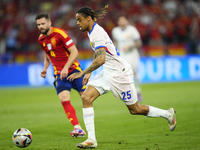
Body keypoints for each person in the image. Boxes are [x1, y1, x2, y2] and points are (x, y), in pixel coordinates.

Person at [67, 5, 177, 149]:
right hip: (108, 73)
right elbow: (99, 53)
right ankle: (91, 139)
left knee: (135, 109)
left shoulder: (97, 33)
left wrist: (82, 72)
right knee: (86, 97)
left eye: (79, 20)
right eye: (76, 20)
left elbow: (101, 59)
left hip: (120, 74)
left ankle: (167, 114)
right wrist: (89, 73)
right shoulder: (91, 31)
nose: (77, 23)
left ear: (89, 18)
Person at [35, 13, 86, 137]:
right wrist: (45, 69)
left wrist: (66, 67)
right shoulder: (41, 39)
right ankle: (78, 128)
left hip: (74, 70)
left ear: (49, 23)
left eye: (43, 23)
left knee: (86, 98)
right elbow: (48, 54)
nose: (41, 26)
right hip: (60, 74)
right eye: (38, 25)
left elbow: (74, 51)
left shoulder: (60, 34)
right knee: (63, 98)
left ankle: (90, 126)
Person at [112, 15, 143, 101]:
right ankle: (129, 93)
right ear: (118, 22)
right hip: (122, 55)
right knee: (123, 74)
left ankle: (138, 91)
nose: (121, 21)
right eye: (120, 20)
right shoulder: (115, 31)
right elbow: (115, 43)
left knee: (134, 72)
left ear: (127, 21)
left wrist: (130, 46)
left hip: (132, 54)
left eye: (123, 20)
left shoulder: (132, 30)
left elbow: (139, 42)